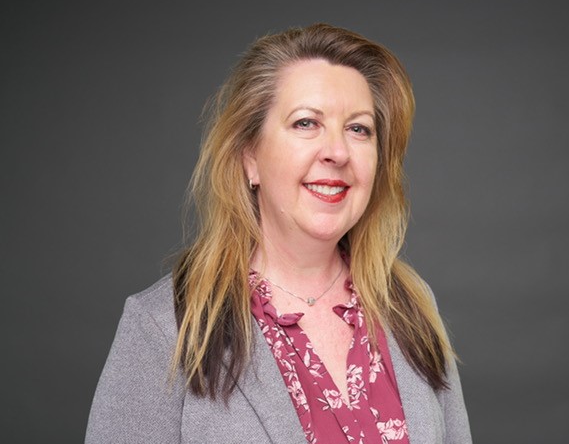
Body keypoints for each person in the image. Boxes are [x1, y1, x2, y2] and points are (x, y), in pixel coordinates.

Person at [85, 23, 472, 444]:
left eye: (359, 129)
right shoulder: (164, 328)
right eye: (306, 123)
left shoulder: (411, 311)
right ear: (250, 157)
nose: (338, 152)